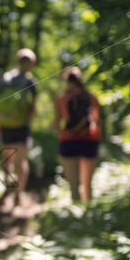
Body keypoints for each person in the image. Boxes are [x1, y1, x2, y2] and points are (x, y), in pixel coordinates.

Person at [0, 48, 38, 207]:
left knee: (6, 157)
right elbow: (33, 108)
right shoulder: (30, 81)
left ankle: (9, 186)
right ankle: (19, 193)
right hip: (21, 126)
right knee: (21, 160)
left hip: (5, 124)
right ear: (31, 63)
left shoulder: (5, 78)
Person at [53, 66, 102, 203]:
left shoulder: (61, 98)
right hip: (90, 141)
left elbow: (57, 123)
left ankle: (75, 217)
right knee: (88, 184)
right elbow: (96, 121)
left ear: (66, 80)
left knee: (74, 187)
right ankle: (89, 216)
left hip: (68, 141)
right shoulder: (92, 97)